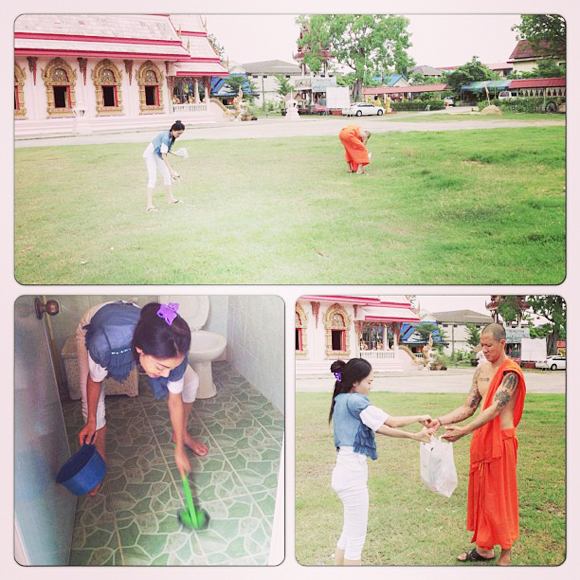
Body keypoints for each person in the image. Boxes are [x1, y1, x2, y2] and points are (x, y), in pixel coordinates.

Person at [76, 301, 208, 495]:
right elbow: (94, 382)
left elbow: (175, 399)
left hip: (134, 319)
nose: (165, 375)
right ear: (140, 350)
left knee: (191, 381)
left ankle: (181, 434)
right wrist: (91, 421)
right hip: (97, 324)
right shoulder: (104, 343)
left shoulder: (175, 347)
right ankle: (99, 461)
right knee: (93, 406)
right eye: (161, 367)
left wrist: (179, 448)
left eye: (170, 368)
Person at [430, 323, 526, 566]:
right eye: (481, 345)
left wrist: (464, 431)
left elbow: (496, 408)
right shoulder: (481, 370)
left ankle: (506, 550)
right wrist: (440, 420)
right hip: (482, 441)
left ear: (503, 343)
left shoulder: (510, 373)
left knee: (500, 497)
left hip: (501, 443)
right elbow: (469, 406)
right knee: (483, 495)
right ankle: (484, 549)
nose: (484, 349)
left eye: (489, 345)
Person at [329, 358, 433, 566]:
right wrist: (417, 424)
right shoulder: (357, 401)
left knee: (348, 533)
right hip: (352, 476)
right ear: (355, 383)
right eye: (369, 381)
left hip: (342, 472)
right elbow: (391, 422)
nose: (371, 385)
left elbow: (380, 426)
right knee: (355, 540)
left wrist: (414, 432)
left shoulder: (341, 399)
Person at [142, 120, 185, 212]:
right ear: (173, 130)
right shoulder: (166, 137)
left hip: (157, 154)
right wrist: (172, 171)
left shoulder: (171, 137)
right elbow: (163, 155)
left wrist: (176, 154)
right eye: (178, 133)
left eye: (181, 134)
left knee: (167, 176)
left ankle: (170, 199)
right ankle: (149, 206)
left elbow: (165, 150)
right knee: (152, 178)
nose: (179, 135)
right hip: (150, 155)